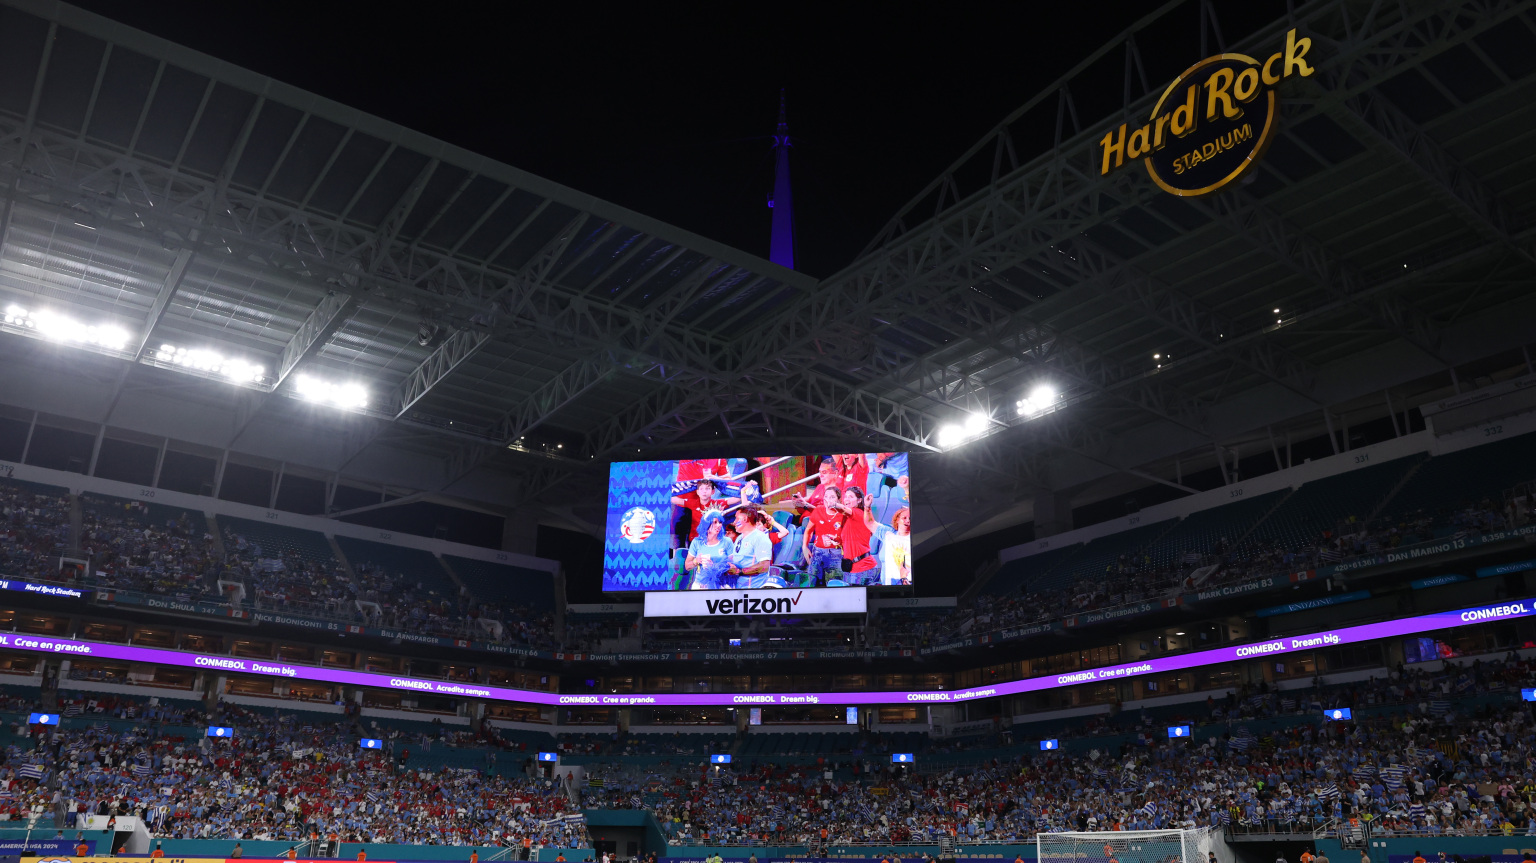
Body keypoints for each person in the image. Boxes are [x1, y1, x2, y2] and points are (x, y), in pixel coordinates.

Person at [671, 479, 740, 544]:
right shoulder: (693, 503)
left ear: (713, 492)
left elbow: (736, 499)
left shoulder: (717, 503)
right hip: (696, 539)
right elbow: (674, 499)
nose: (704, 491)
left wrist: (744, 489)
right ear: (697, 492)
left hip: (713, 540)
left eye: (707, 488)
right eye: (701, 489)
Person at [802, 485, 844, 586]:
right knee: (813, 584)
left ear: (839, 500)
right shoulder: (818, 510)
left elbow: (848, 536)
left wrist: (836, 541)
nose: (828, 499)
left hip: (836, 554)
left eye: (832, 497)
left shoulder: (843, 514)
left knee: (833, 586)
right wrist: (804, 547)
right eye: (826, 496)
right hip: (817, 553)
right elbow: (808, 529)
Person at [834, 486, 878, 583]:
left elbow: (844, 509)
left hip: (863, 569)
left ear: (859, 500)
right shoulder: (847, 519)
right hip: (850, 568)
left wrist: (834, 504)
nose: (847, 499)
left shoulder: (859, 513)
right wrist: (835, 540)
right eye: (846, 496)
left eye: (851, 497)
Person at [684, 510, 735, 590]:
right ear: (706, 524)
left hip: (722, 585)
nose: (718, 525)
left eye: (720, 522)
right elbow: (687, 566)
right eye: (715, 522)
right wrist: (696, 561)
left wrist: (714, 567)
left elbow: (733, 567)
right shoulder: (697, 542)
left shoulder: (727, 541)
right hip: (701, 586)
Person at [863, 502, 912, 585]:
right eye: (904, 518)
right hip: (888, 584)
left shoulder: (915, 538)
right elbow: (870, 523)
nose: (907, 521)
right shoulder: (888, 534)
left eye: (910, 518)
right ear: (897, 519)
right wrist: (867, 507)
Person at [727, 508, 775, 583]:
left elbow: (764, 567)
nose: (734, 522)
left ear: (745, 519)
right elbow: (736, 557)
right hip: (740, 587)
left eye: (736, 518)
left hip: (754, 589)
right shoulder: (739, 538)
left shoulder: (760, 538)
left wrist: (739, 571)